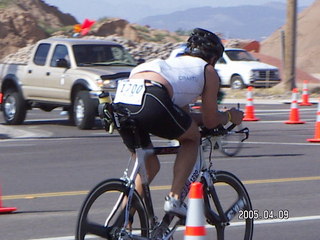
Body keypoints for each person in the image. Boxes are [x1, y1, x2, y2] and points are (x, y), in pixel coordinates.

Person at [113, 28, 244, 218]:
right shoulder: (207, 71)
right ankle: (174, 198)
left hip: (123, 98)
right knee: (192, 138)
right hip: (152, 96)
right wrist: (230, 116)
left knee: (148, 167)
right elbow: (210, 120)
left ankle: (122, 225)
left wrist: (204, 121)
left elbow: (183, 119)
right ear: (214, 59)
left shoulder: (174, 65)